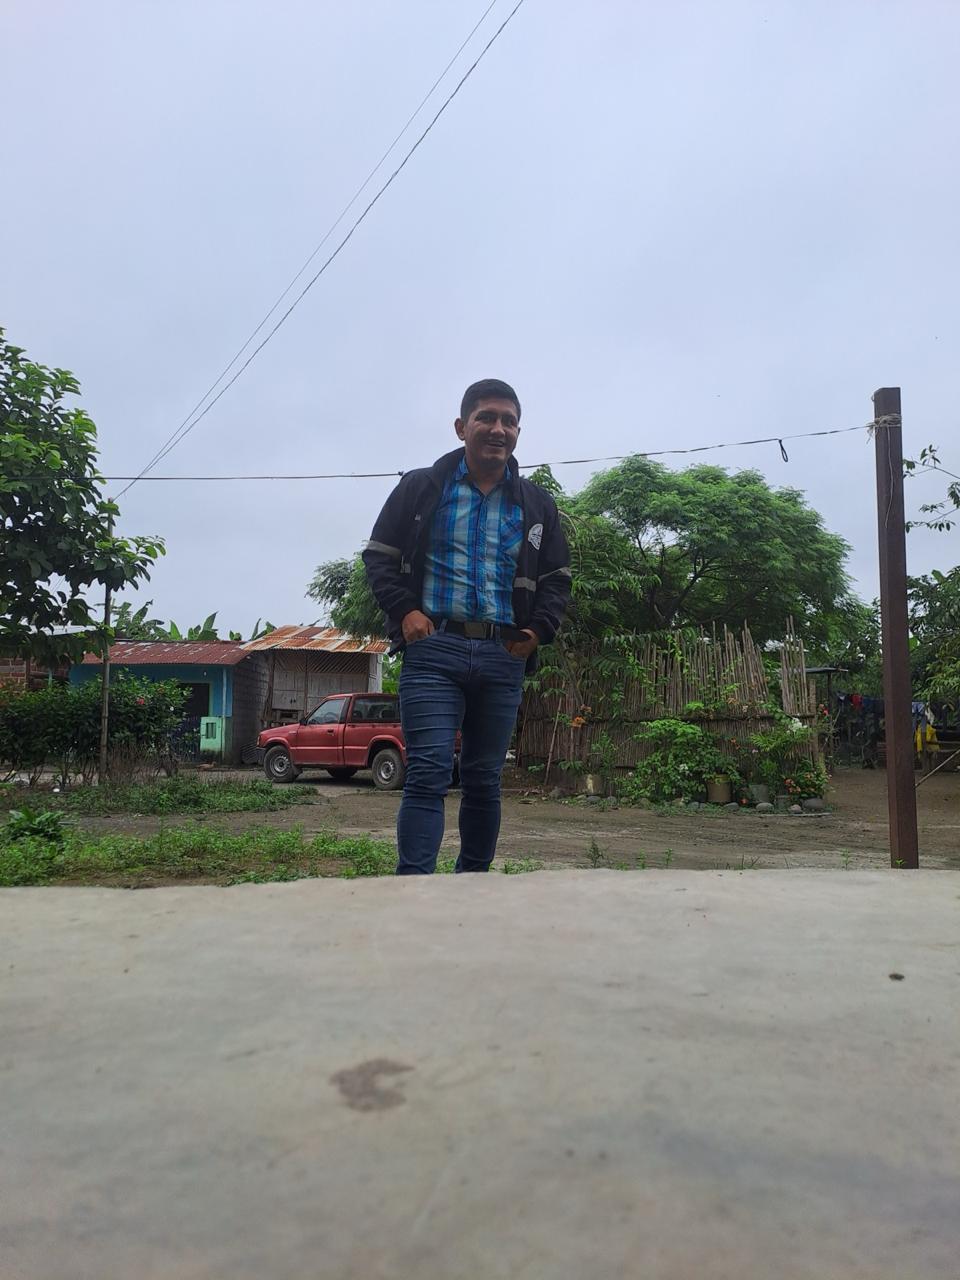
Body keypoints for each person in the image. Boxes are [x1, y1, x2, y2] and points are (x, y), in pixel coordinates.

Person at [363, 378, 571, 875]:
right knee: (428, 772)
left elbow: (557, 579)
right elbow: (379, 557)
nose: (498, 429)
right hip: (435, 651)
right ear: (462, 427)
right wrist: (406, 612)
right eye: (487, 418)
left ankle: (473, 889)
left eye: (509, 421)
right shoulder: (421, 488)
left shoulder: (536, 504)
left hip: (503, 656)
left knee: (483, 779)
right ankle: (414, 888)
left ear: (518, 432)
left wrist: (537, 633)